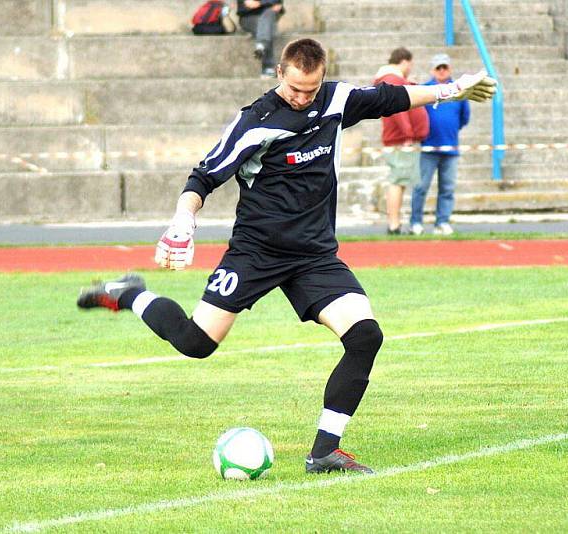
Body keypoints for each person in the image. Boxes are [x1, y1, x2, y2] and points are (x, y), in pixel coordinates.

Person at [77, 38, 496, 475]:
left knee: (365, 337)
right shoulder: (254, 122)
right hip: (256, 252)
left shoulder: (334, 99)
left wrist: (450, 90)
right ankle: (130, 294)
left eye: (310, 89)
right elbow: (203, 177)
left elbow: (390, 98)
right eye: (295, 88)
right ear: (280, 73)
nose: (302, 97)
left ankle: (325, 451)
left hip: (314, 255)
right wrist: (184, 220)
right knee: (195, 344)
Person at [410, 53, 471, 236]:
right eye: (438, 68)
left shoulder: (459, 90)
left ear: (450, 69)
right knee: (421, 187)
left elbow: (464, 117)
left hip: (450, 148)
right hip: (428, 148)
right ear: (433, 70)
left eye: (445, 67)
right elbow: (417, 114)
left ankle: (442, 222)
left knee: (447, 188)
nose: (442, 71)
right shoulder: (426, 89)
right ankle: (416, 223)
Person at [374, 47, 429, 235]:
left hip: (400, 139)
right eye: (410, 64)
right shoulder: (392, 79)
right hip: (400, 140)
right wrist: (407, 134)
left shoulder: (394, 79)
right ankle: (394, 224)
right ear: (404, 61)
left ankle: (395, 223)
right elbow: (397, 108)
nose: (410, 68)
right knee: (398, 180)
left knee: (401, 180)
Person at [237, 0, 283, 78]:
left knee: (269, 15)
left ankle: (261, 46)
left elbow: (277, 3)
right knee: (267, 28)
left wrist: (260, 3)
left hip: (268, 16)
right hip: (249, 18)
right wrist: (267, 4)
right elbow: (245, 6)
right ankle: (268, 68)